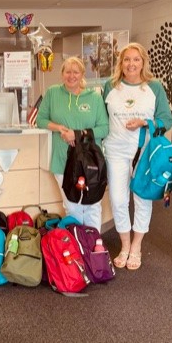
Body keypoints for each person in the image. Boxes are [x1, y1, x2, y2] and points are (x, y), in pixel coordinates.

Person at [102, 42, 172, 271]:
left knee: (142, 198)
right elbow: (102, 120)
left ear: (143, 62)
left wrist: (145, 122)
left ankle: (136, 246)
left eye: (136, 59)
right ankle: (124, 245)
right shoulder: (109, 86)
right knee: (118, 199)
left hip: (144, 152)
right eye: (126, 59)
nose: (131, 64)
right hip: (115, 150)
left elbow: (167, 120)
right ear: (120, 63)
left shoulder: (154, 87)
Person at [36, 56, 109, 231]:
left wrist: (76, 134)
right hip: (63, 161)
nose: (71, 76)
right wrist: (59, 127)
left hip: (91, 162)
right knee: (72, 206)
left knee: (92, 206)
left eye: (75, 72)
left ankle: (93, 247)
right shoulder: (53, 93)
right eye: (67, 72)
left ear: (82, 74)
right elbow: (40, 120)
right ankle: (77, 247)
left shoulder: (94, 97)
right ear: (62, 74)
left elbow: (104, 128)